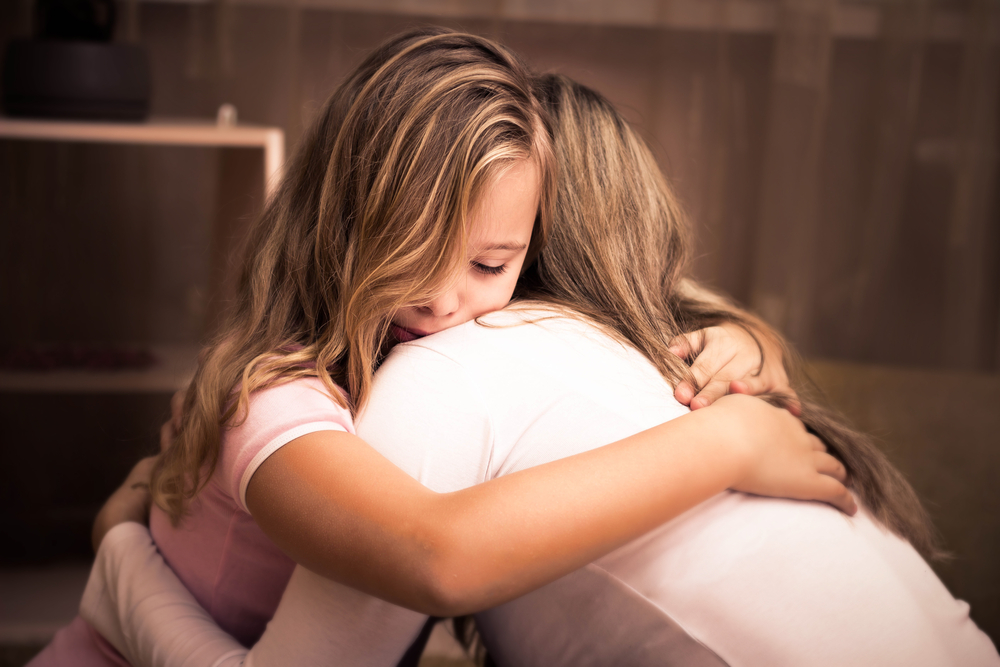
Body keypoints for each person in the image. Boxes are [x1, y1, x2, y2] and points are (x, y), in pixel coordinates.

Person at [78, 72, 998, 667]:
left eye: (490, 262)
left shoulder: (468, 370)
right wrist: (730, 428)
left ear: (534, 235)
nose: (443, 300)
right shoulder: (622, 361)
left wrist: (119, 551)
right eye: (416, 244)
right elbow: (437, 556)